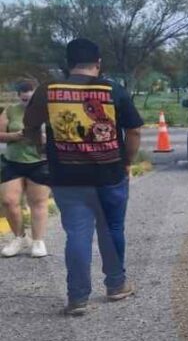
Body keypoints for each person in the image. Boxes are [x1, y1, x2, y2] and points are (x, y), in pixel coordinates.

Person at [22, 38, 144, 316]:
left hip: (67, 175)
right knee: (112, 229)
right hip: (110, 173)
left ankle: (78, 298)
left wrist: (40, 144)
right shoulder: (113, 89)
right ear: (98, 63)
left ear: (68, 64)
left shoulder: (48, 90)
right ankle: (116, 285)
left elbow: (30, 125)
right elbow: (135, 130)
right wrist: (127, 161)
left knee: (77, 233)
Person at [0, 80, 50, 258]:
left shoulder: (48, 111)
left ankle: (37, 241)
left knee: (37, 202)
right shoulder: (10, 111)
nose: (26, 102)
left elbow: (61, 135)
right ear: (18, 96)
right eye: (23, 99)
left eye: (30, 98)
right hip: (13, 162)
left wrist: (42, 138)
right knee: (8, 201)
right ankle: (19, 238)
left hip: (39, 162)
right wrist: (16, 135)